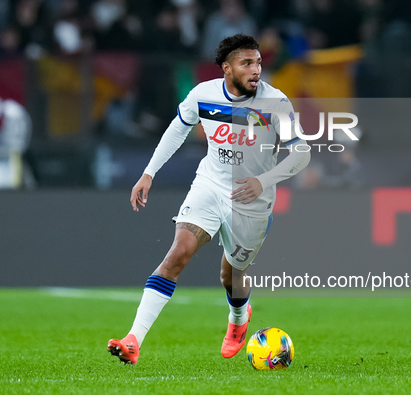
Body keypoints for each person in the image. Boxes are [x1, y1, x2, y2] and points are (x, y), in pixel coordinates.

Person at [107, 34, 310, 365]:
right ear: (227, 68)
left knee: (231, 275)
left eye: (258, 62)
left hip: (252, 201)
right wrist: (149, 173)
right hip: (211, 184)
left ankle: (238, 319)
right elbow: (178, 128)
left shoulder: (275, 103)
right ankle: (134, 339)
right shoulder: (204, 94)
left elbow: (301, 153)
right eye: (247, 63)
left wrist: (264, 180)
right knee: (177, 254)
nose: (256, 69)